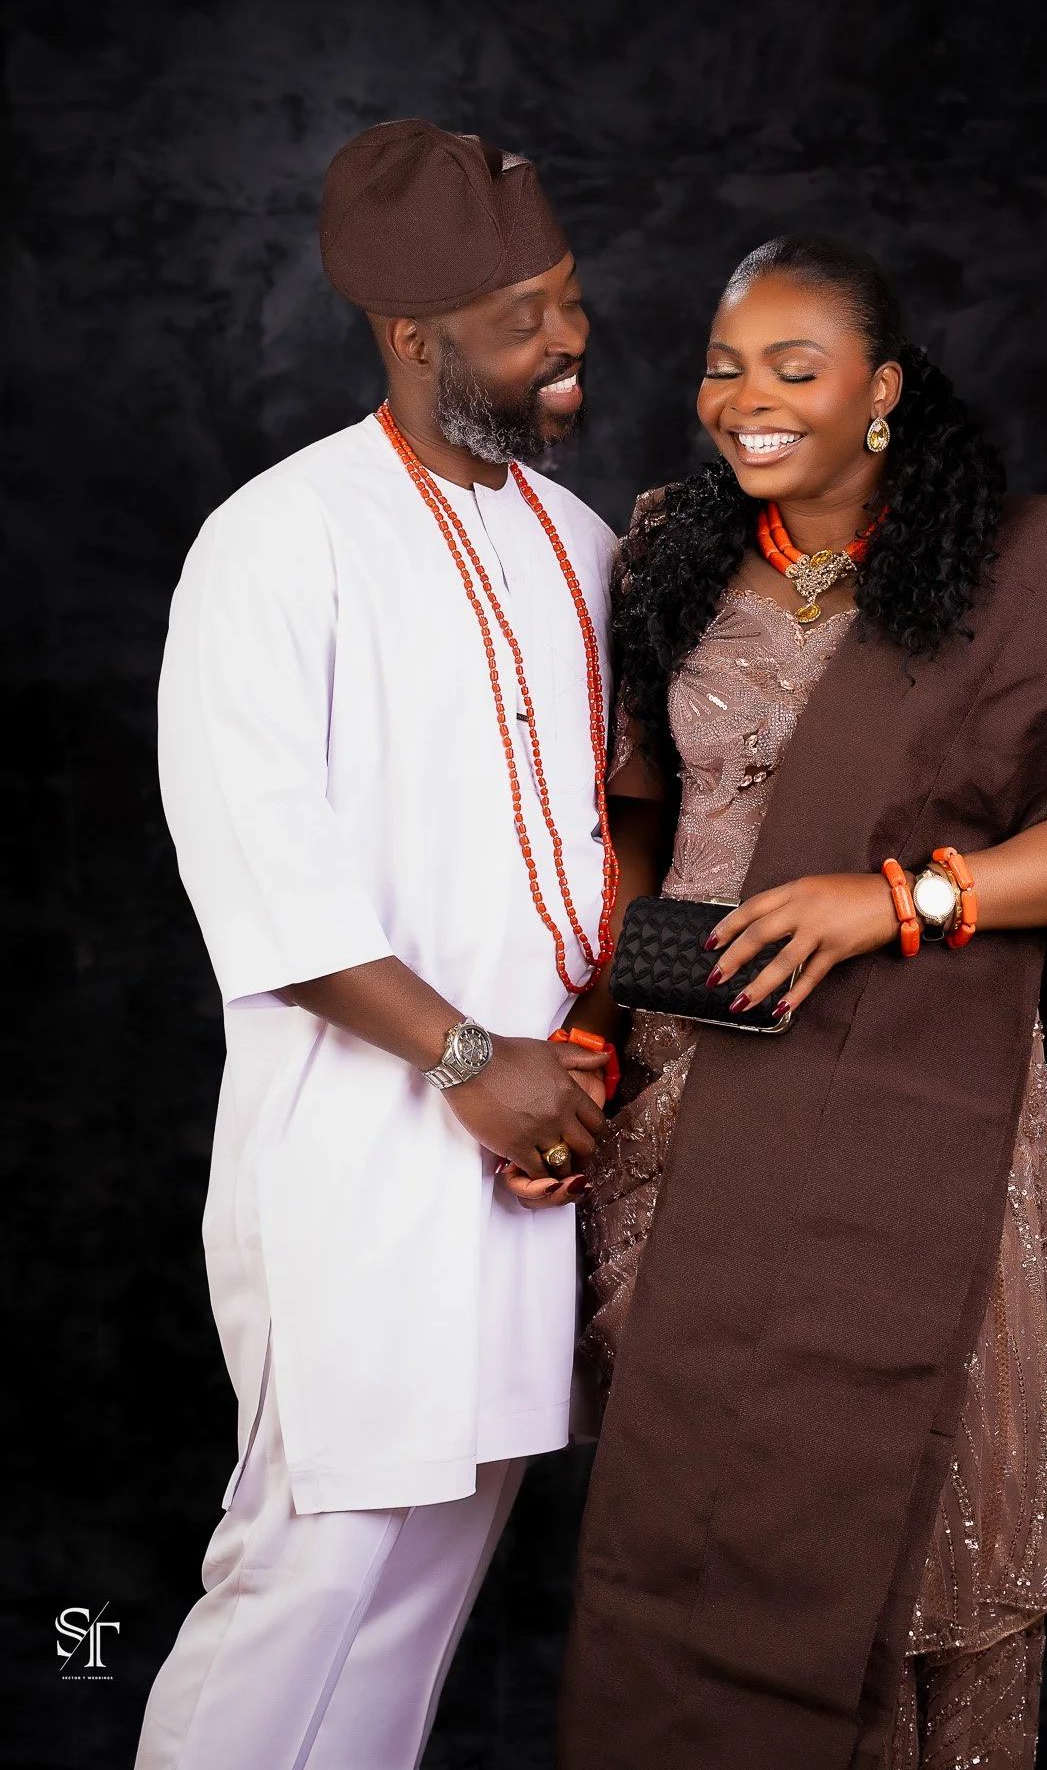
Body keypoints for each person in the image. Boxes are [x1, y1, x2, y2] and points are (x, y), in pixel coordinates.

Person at [551, 236, 1047, 1770]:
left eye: (793, 368)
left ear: (880, 390)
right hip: (690, 1093)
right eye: (725, 365)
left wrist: (894, 900)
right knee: (717, 1518)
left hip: (920, 1097)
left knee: (915, 1497)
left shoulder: (1019, 580)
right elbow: (635, 817)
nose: (747, 400)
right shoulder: (669, 541)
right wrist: (597, 1032)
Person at [137, 120, 616, 1770]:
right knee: (306, 1572)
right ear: (412, 337)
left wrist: (565, 1079)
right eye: (523, 318)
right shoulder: (278, 542)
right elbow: (262, 880)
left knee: (428, 1585)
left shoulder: (585, 543)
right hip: (361, 1153)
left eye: (567, 300)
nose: (567, 341)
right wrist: (478, 1064)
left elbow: (591, 861)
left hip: (529, 1156)